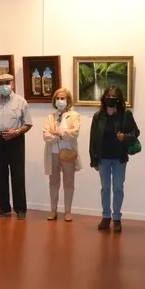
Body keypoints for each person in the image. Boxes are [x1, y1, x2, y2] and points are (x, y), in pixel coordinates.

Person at [88, 86, 140, 233]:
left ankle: (116, 217)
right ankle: (106, 216)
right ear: (104, 98)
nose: (110, 98)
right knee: (105, 188)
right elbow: (93, 139)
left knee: (118, 188)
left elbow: (136, 132)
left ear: (119, 99)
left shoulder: (125, 115)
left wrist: (125, 136)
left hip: (119, 157)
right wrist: (93, 158)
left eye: (113, 96)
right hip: (103, 158)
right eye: (108, 96)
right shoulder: (98, 116)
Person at [0, 73, 32, 219]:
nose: (4, 86)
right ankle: (4, 208)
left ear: (13, 84)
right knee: (0, 175)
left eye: (7, 82)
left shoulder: (21, 101)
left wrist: (16, 132)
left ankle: (20, 209)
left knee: (18, 175)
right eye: (1, 83)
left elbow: (28, 124)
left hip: (15, 139)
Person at [41, 87, 81, 222]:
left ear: (68, 100)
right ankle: (53, 210)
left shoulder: (74, 116)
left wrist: (59, 133)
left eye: (62, 98)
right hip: (53, 154)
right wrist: (62, 135)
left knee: (69, 183)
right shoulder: (50, 117)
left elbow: (74, 133)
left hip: (68, 154)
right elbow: (46, 135)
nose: (59, 101)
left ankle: (68, 211)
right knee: (53, 183)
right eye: (57, 98)